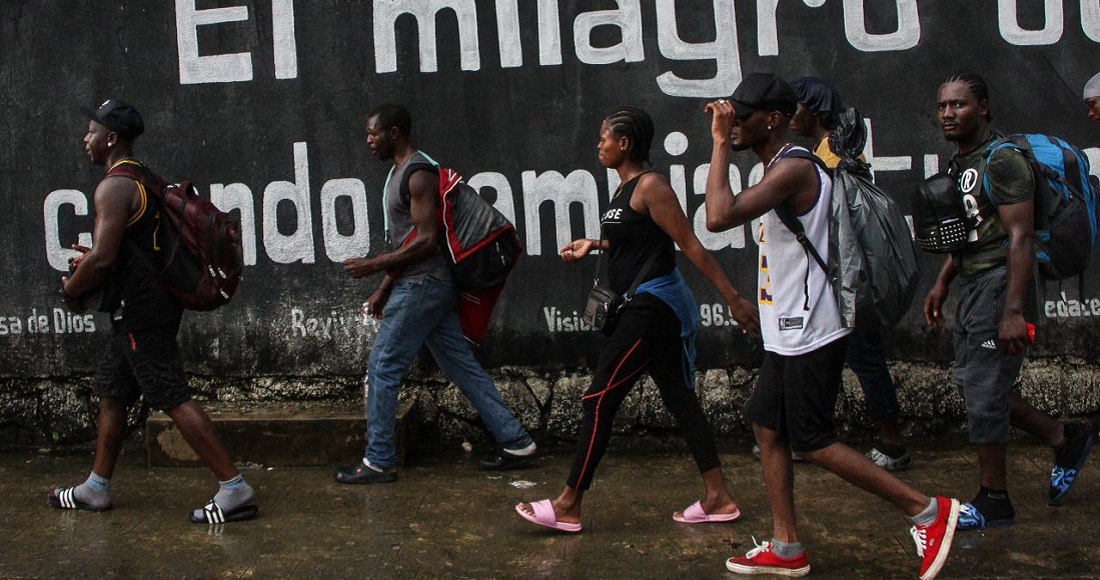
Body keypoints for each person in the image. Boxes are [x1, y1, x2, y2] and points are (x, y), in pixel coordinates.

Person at [704, 73, 958, 579]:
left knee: (811, 438)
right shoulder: (779, 163)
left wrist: (718, 145)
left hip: (811, 329)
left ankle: (927, 511)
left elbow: (717, 216)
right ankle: (786, 546)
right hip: (787, 329)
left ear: (773, 120)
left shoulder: (795, 167)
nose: (731, 124)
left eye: (741, 117)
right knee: (767, 426)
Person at [515, 106, 760, 533]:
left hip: (654, 308)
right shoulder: (624, 190)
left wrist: (733, 298)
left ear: (624, 143)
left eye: (604, 137)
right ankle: (719, 497)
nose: (599, 145)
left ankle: (568, 504)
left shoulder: (651, 186)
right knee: (682, 401)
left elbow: (690, 245)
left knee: (598, 400)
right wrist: (595, 244)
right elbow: (637, 240)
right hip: (645, 306)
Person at [51, 99, 258, 524]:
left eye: (91, 131)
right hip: (145, 305)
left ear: (111, 138)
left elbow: (103, 259)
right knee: (112, 391)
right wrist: (93, 263)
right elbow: (132, 249)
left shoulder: (113, 186)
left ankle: (234, 488)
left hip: (141, 311)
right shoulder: (142, 177)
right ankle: (96, 487)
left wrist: (72, 287)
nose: (85, 139)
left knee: (171, 395)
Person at [924, 72, 1096, 531]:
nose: (948, 114)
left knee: (984, 392)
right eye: (942, 106)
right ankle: (1064, 438)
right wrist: (942, 282)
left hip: (1002, 287)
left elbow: (1019, 237)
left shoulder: (1002, 160)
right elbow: (973, 232)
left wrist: (1013, 312)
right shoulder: (963, 162)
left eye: (959, 105)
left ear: (983, 108)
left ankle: (994, 500)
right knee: (978, 385)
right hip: (973, 285)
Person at [336, 103, 536, 483]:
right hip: (424, 285)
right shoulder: (399, 173)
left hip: (423, 286)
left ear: (394, 133)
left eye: (373, 133)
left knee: (382, 366)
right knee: (461, 366)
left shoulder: (418, 173)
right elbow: (408, 240)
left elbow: (427, 240)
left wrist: (373, 265)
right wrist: (383, 288)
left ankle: (378, 460)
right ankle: (516, 441)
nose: (368, 140)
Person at [788, 75, 911, 471]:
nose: (789, 116)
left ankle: (893, 445)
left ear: (814, 110)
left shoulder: (835, 159)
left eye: (795, 107)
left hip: (850, 282)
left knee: (865, 357)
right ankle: (812, 438)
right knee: (828, 359)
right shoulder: (827, 153)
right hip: (839, 280)